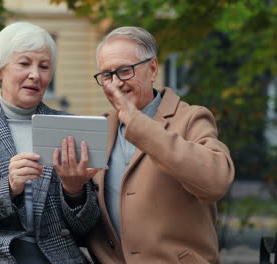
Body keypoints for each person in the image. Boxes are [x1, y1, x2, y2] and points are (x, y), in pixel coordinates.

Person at [0, 21, 100, 264]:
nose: (35, 74)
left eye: (44, 66)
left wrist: (74, 191)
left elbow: (85, 228)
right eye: (24, 63)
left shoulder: (69, 127)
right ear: (0, 69)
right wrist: (9, 188)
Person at [85, 26, 235, 263]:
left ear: (153, 68)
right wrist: (71, 187)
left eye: (125, 71)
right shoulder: (99, 128)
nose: (115, 84)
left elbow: (215, 181)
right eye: (106, 75)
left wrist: (138, 123)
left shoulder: (191, 118)